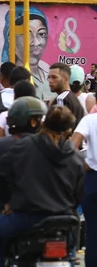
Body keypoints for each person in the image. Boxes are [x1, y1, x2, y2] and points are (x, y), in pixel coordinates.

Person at [0, 106, 83, 267]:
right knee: (70, 250)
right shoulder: (76, 156)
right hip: (63, 222)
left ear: (44, 123)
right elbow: (79, 193)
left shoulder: (24, 147)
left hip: (26, 219)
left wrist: (8, 201)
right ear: (68, 130)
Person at [72, 109, 97, 266]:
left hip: (93, 180)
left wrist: (84, 164)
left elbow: (71, 146)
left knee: (93, 233)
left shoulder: (90, 120)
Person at [48, 62, 86, 127]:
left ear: (66, 79)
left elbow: (58, 127)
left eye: (54, 77)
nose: (50, 80)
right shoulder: (73, 99)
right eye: (49, 77)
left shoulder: (61, 99)